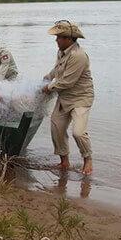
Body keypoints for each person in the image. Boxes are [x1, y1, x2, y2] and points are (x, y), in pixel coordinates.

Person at [42, 20, 94, 175]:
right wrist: (46, 78)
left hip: (80, 97)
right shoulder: (61, 52)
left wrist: (48, 87)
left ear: (69, 39)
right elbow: (57, 70)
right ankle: (64, 162)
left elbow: (67, 82)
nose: (56, 40)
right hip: (64, 98)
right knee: (56, 128)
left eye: (59, 37)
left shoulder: (78, 56)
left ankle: (88, 159)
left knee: (78, 132)